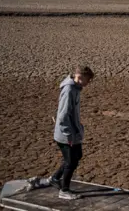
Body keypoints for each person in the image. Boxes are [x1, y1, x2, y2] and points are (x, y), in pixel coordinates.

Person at [46, 65, 94, 200]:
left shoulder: (75, 89)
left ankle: (55, 178)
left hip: (73, 133)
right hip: (66, 135)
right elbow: (62, 116)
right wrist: (69, 135)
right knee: (71, 161)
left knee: (77, 156)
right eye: (88, 80)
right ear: (80, 77)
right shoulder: (68, 90)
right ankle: (64, 190)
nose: (88, 83)